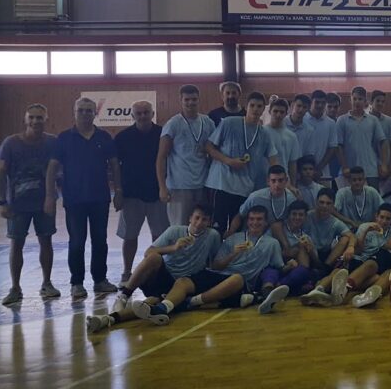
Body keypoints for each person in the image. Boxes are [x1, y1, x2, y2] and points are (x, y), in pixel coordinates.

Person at [86, 204, 236, 333]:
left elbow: (214, 264)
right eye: (197, 218)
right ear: (190, 218)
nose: (199, 222)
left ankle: (108, 319)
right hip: (163, 276)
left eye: (204, 219)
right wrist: (174, 248)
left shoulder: (213, 236)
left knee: (150, 302)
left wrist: (233, 255)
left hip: (183, 283)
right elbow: (148, 252)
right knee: (154, 258)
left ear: (209, 222)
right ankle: (124, 295)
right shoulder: (174, 231)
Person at [47, 97, 121, 300]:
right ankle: (77, 283)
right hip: (74, 200)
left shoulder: (104, 137)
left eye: (89, 110)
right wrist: (50, 195)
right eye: (81, 110)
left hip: (100, 199)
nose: (85, 114)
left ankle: (100, 280)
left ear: (95, 113)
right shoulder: (64, 138)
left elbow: (115, 165)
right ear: (74, 112)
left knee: (100, 241)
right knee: (77, 242)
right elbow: (52, 168)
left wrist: (119, 191)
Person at [0, 104, 59, 305]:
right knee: (16, 243)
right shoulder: (10, 143)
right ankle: (15, 288)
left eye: (39, 117)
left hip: (44, 202)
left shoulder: (52, 142)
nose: (35, 121)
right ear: (25, 120)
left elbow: (55, 170)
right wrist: (2, 202)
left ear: (46, 120)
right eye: (31, 117)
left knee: (46, 241)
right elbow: (1, 172)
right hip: (17, 204)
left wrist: (51, 197)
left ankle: (47, 283)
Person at [204, 92, 279, 232]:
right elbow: (208, 147)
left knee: (237, 230)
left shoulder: (264, 134)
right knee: (216, 228)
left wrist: (281, 181)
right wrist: (229, 161)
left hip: (244, 188)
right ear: (246, 106)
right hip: (221, 184)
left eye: (259, 106)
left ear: (264, 109)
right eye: (252, 105)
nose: (255, 109)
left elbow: (273, 160)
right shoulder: (229, 123)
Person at [115, 100, 168, 286]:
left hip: (157, 194)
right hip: (131, 195)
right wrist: (118, 191)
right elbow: (115, 167)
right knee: (130, 236)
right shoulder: (122, 137)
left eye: (146, 112)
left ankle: (157, 271)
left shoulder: (163, 134)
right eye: (139, 113)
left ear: (152, 114)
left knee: (159, 237)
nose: (143, 116)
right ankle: (127, 272)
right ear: (132, 116)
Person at [212, 205, 291, 314]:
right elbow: (215, 266)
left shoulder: (272, 243)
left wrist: (290, 266)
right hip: (223, 278)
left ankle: (258, 296)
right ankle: (256, 298)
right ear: (247, 221)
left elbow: (279, 268)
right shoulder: (233, 238)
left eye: (259, 219)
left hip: (246, 285)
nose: (255, 222)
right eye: (251, 219)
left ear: (266, 222)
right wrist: (233, 254)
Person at [159, 85, 216, 225]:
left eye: (194, 99)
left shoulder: (208, 122)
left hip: (202, 184)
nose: (191, 102)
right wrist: (162, 187)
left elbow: (214, 152)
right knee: (180, 227)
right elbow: (161, 157)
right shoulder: (173, 124)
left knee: (202, 226)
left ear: (199, 99)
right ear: (181, 100)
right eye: (187, 99)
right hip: (179, 186)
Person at [228, 165, 297, 247]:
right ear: (268, 181)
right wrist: (231, 233)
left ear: (286, 181)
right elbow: (239, 215)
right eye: (273, 181)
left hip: (279, 236)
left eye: (280, 180)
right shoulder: (255, 197)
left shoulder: (291, 199)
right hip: (253, 235)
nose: (277, 185)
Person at [337, 87, 387, 190]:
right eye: (354, 99)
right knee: (349, 199)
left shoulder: (373, 120)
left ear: (365, 101)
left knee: (373, 199)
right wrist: (344, 166)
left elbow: (383, 142)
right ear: (350, 100)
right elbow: (338, 146)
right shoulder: (341, 120)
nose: (357, 102)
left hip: (371, 170)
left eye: (360, 99)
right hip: (350, 171)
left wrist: (383, 164)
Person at [304, 188, 354, 268]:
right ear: (316, 202)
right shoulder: (306, 216)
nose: (324, 206)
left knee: (345, 238)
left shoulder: (335, 222)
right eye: (321, 202)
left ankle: (325, 268)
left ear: (333, 205)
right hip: (307, 252)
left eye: (328, 203)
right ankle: (305, 271)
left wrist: (350, 247)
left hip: (326, 255)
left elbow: (352, 236)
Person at [305, 90, 339, 185]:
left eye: (323, 103)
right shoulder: (302, 120)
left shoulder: (331, 123)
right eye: (317, 102)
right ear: (311, 102)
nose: (320, 105)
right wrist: (307, 169)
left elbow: (332, 148)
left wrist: (319, 168)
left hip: (323, 173)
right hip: (302, 173)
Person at [265, 98, 301, 186]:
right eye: (275, 111)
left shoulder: (292, 136)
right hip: (262, 179)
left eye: (282, 112)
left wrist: (293, 185)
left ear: (286, 113)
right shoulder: (261, 132)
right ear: (269, 111)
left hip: (282, 182)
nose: (278, 115)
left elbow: (292, 164)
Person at [369, 90, 391, 196]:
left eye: (383, 101)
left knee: (389, 198)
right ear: (371, 102)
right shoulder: (365, 120)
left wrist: (390, 167)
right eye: (378, 101)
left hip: (388, 168)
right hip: (370, 167)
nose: (380, 103)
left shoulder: (389, 121)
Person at [284, 93, 313, 158]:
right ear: (292, 105)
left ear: (308, 109)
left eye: (304, 107)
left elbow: (308, 153)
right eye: (298, 106)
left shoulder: (309, 130)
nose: (301, 110)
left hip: (299, 163)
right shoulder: (281, 124)